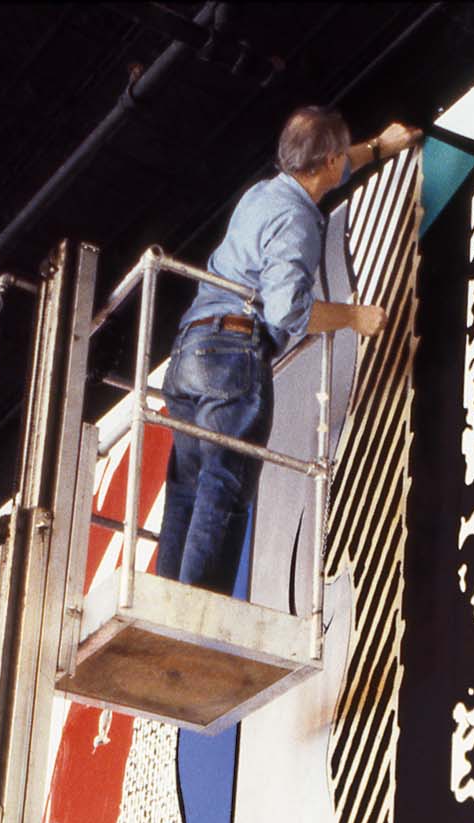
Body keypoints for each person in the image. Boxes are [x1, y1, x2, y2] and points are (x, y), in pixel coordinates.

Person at [155, 107, 421, 595]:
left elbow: (325, 173)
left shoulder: (264, 194)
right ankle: (196, 611)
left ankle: (168, 599)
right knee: (225, 486)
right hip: (233, 353)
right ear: (330, 160)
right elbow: (288, 313)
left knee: (188, 491)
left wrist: (379, 148)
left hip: (189, 355)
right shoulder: (297, 221)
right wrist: (354, 317)